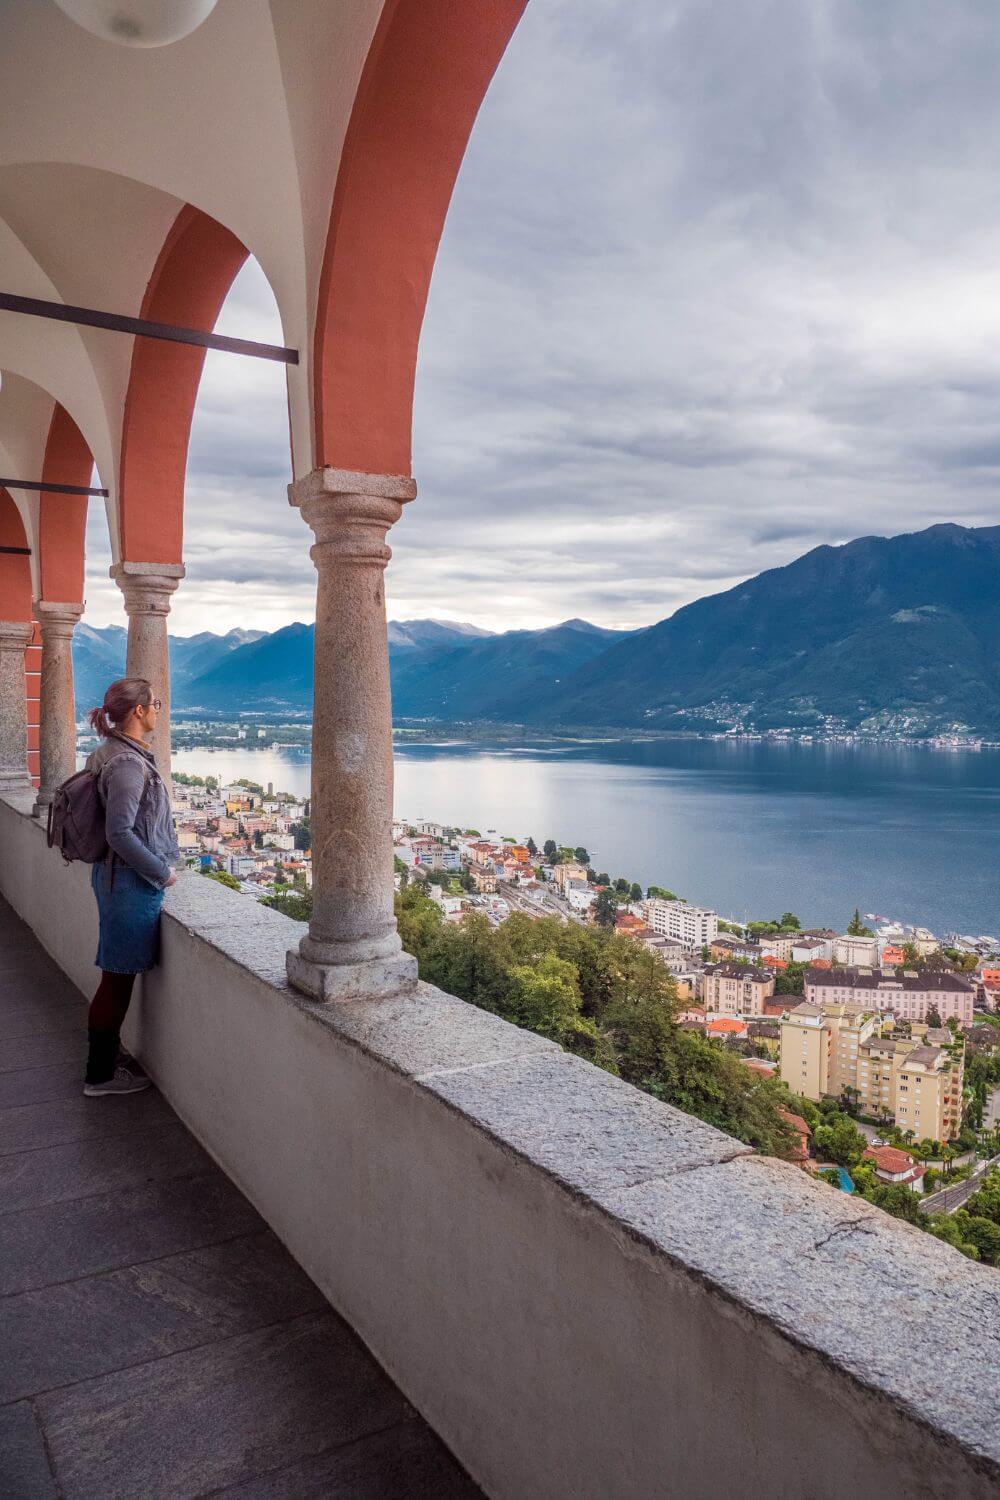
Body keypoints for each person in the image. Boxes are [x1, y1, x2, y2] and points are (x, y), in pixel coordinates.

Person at [83, 677, 180, 1097]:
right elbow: (121, 833)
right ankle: (100, 1075)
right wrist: (162, 871)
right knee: (117, 979)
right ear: (138, 711)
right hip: (127, 882)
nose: (159, 708)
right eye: (154, 702)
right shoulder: (126, 763)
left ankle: (107, 1059)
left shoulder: (112, 752)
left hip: (115, 878)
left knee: (116, 975)